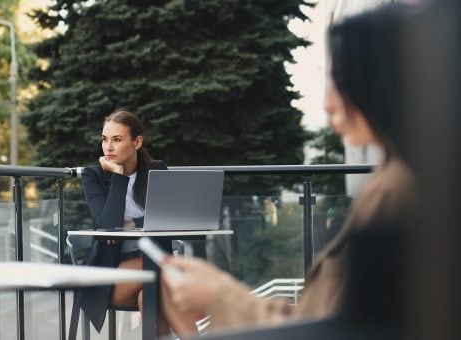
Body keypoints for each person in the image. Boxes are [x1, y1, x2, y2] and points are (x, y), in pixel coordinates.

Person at [160, 3, 416, 334]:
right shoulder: (398, 177)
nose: (328, 102)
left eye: (339, 80)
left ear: (380, 81)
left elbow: (329, 329)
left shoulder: (396, 190)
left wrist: (218, 295)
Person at [80, 109, 197, 335]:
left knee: (153, 292)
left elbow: (170, 216)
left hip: (154, 273)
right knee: (162, 274)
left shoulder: (157, 171)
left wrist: (132, 223)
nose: (108, 147)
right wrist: (119, 176)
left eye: (117, 139)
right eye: (105, 139)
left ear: (137, 142)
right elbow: (108, 228)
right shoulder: (93, 176)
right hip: (111, 276)